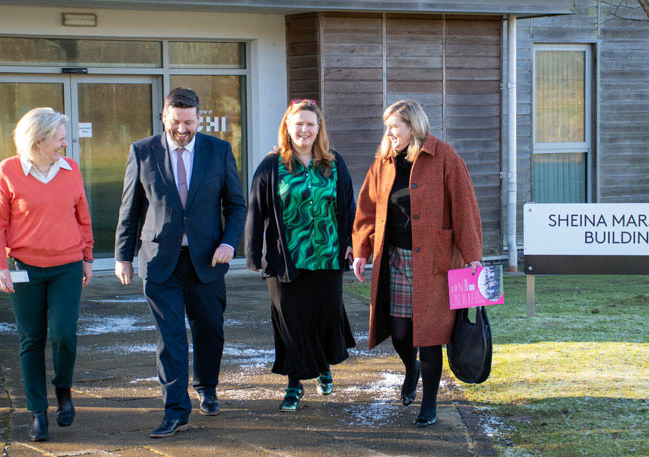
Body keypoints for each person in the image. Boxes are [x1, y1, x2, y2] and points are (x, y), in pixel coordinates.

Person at [114, 87, 246, 437]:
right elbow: (130, 210)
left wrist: (230, 242)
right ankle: (175, 410)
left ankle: (206, 386)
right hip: (160, 261)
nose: (183, 129)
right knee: (170, 337)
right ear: (164, 118)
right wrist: (122, 257)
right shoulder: (143, 152)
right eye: (176, 122)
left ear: (199, 119)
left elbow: (236, 205)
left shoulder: (218, 151)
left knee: (209, 329)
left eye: (189, 122)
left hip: (207, 259)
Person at [352, 100, 483, 426]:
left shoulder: (444, 158)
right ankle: (410, 369)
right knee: (399, 332)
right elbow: (367, 207)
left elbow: (465, 209)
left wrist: (473, 258)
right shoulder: (383, 160)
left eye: (394, 126)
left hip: (434, 265)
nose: (390, 132)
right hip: (395, 259)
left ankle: (430, 401)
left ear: (413, 126)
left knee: (430, 335)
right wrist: (361, 251)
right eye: (388, 127)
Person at [0, 107, 94, 442]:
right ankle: (37, 412)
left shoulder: (71, 169)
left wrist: (87, 256)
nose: (65, 142)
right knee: (31, 339)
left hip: (67, 266)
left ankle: (63, 390)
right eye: (60, 137)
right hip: (24, 269)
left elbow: (83, 216)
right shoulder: (8, 171)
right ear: (40, 139)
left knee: (64, 334)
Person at [245, 99, 356, 411]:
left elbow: (347, 206)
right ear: (287, 128)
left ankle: (323, 367)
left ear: (318, 128)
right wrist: (254, 254)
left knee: (325, 315)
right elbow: (256, 209)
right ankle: (294, 385)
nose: (304, 130)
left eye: (310, 124)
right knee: (290, 323)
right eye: (299, 124)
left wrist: (351, 243)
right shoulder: (272, 164)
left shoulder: (334, 163)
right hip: (285, 260)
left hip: (327, 256)